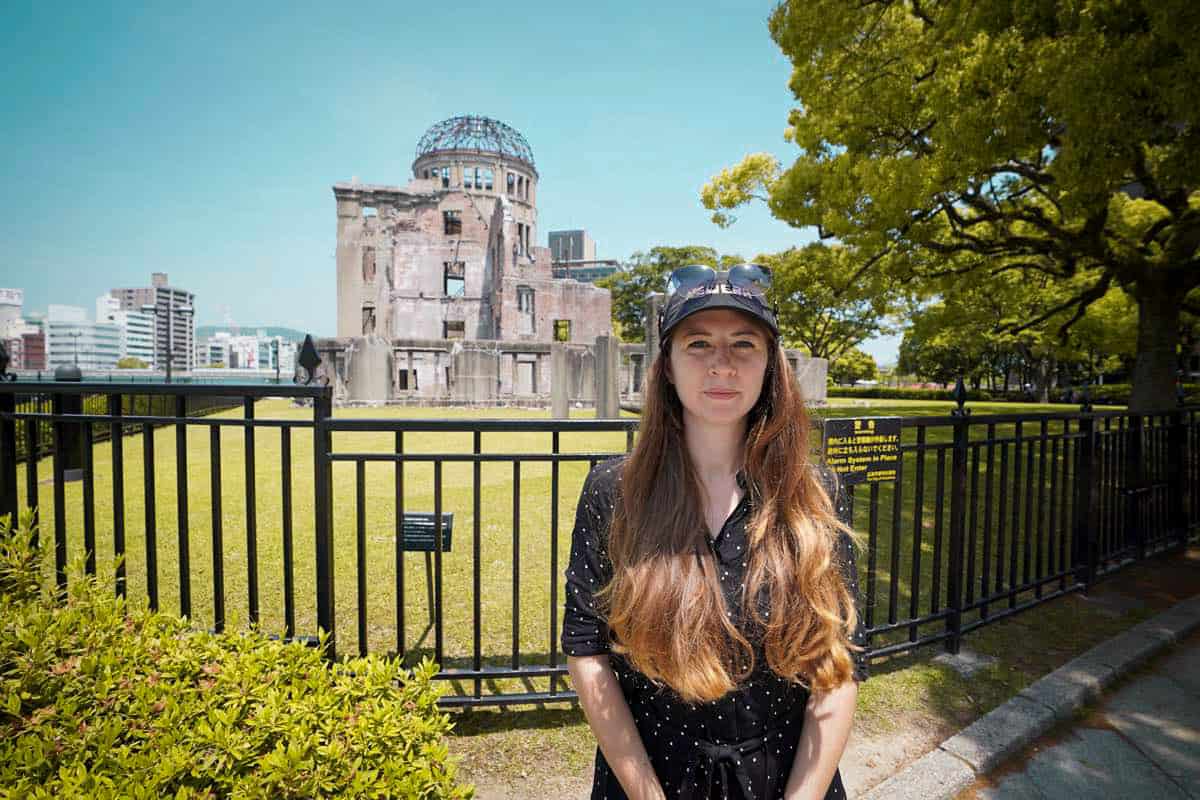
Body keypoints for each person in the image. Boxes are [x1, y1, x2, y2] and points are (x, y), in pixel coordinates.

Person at [563, 264, 868, 800]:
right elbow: (588, 653)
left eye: (744, 344)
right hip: (653, 775)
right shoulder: (614, 492)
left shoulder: (814, 495)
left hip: (785, 777)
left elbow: (836, 665)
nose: (721, 364)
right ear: (668, 368)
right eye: (698, 343)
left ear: (771, 366)